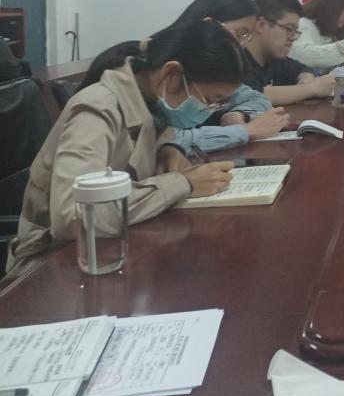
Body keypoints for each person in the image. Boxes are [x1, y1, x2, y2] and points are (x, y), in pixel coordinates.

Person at [4, 21, 242, 279]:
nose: (207, 109)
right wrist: (183, 183)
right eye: (208, 100)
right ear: (171, 74)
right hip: (52, 266)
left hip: (108, 250)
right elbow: (73, 215)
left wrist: (168, 149)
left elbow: (145, 148)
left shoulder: (151, 101)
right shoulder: (98, 109)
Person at [169, 0, 290, 151]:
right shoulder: (165, 66)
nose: (242, 45)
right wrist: (245, 132)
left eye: (247, 37)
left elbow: (258, 98)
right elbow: (164, 141)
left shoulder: (215, 68)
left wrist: (236, 115)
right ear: (209, 25)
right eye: (240, 34)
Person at [244, 0, 336, 104]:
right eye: (289, 29)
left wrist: (306, 79)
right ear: (262, 25)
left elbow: (302, 69)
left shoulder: (273, 59)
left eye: (295, 32)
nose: (292, 38)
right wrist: (311, 89)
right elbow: (253, 96)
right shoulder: (235, 61)